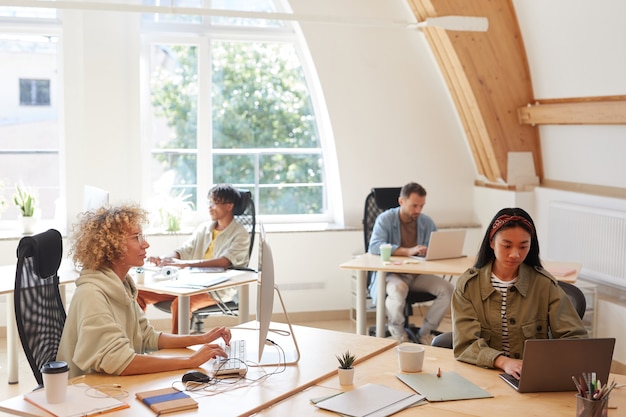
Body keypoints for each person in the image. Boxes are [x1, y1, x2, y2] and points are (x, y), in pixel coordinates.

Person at [57, 204, 231, 378]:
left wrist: (201, 339)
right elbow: (120, 362)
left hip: (111, 386)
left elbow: (148, 337)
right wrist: (190, 361)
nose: (145, 244)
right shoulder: (92, 295)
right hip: (87, 392)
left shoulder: (121, 285)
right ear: (112, 246)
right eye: (136, 237)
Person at [452, 207, 588, 380]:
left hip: (533, 376)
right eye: (506, 245)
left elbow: (575, 338)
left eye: (523, 246)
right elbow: (465, 344)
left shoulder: (544, 285)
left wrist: (547, 363)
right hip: (484, 374)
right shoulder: (468, 286)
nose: (515, 254)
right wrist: (503, 362)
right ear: (492, 242)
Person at [136, 184, 250, 333]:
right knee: (137, 294)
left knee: (180, 305)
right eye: (209, 202)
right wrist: (165, 259)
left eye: (214, 203)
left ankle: (177, 350)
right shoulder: (204, 228)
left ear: (229, 206)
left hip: (215, 290)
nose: (210, 207)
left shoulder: (240, 234)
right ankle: (137, 340)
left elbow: (224, 261)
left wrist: (184, 264)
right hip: (188, 284)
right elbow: (184, 250)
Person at [368, 182, 454, 345]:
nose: (418, 211)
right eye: (414, 206)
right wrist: (408, 251)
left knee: (448, 289)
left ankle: (425, 333)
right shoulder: (385, 219)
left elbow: (436, 246)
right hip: (392, 275)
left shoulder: (426, 222)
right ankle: (398, 332)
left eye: (421, 206)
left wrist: (435, 251)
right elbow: (374, 246)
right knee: (399, 289)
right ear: (401, 201)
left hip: (417, 275)